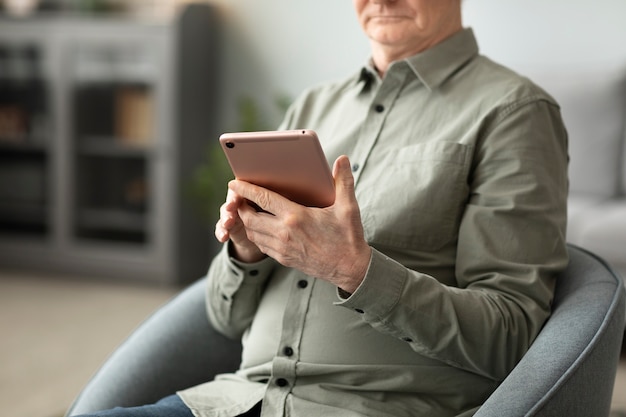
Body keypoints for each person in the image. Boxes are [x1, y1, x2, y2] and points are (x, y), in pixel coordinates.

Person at [76, 0, 569, 416]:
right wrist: (246, 254)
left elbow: (512, 335)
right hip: (236, 400)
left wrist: (355, 269)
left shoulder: (514, 113)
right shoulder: (313, 107)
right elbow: (223, 320)